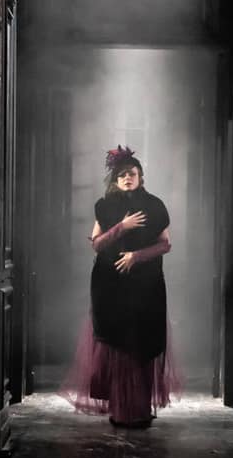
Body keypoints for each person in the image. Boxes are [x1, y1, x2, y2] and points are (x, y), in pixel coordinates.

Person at [61, 146, 181, 428]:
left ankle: (139, 409)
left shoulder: (154, 205)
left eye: (132, 174)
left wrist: (135, 256)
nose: (128, 178)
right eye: (123, 174)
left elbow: (165, 244)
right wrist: (122, 227)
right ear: (115, 179)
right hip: (110, 284)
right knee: (117, 345)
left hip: (146, 284)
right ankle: (121, 409)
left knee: (141, 343)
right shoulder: (104, 205)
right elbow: (97, 244)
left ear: (141, 177)